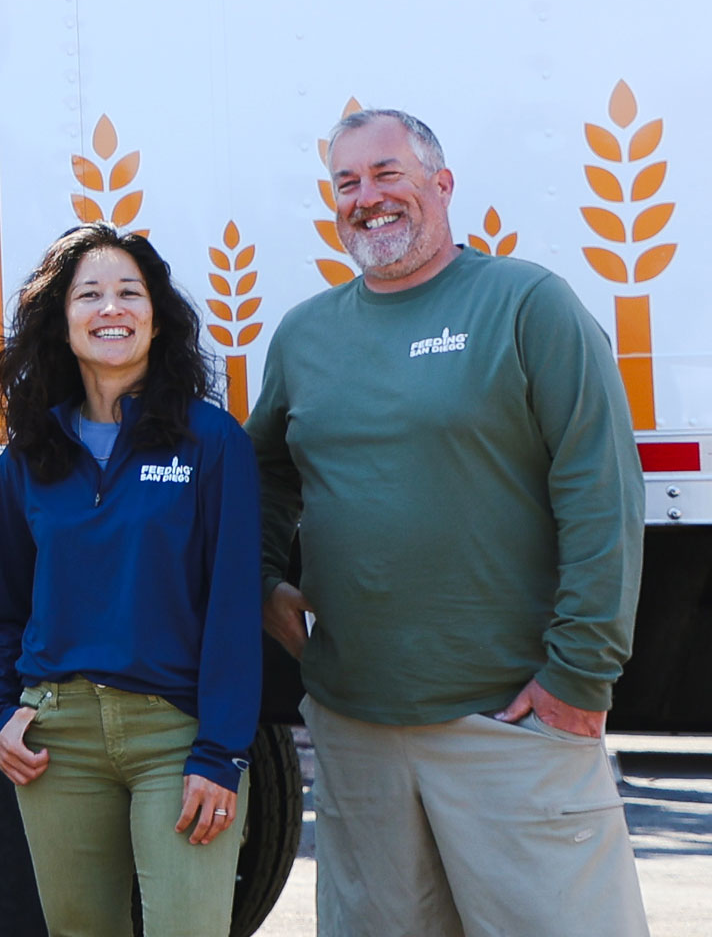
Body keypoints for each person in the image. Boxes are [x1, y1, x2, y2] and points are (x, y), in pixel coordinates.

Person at [251, 108, 649, 935]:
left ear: (441, 183)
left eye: (388, 173)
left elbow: (601, 487)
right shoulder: (304, 336)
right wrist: (261, 582)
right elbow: (261, 475)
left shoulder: (525, 304)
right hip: (358, 730)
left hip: (509, 724)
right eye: (347, 183)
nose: (368, 198)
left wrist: (580, 676)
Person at [0, 223, 260, 937]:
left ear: (156, 318)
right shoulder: (27, 459)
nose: (111, 309)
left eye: (129, 293)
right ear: (61, 321)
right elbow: (3, 610)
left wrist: (221, 753)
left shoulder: (211, 441)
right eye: (90, 295)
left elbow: (233, 608)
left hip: (178, 734)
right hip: (57, 738)